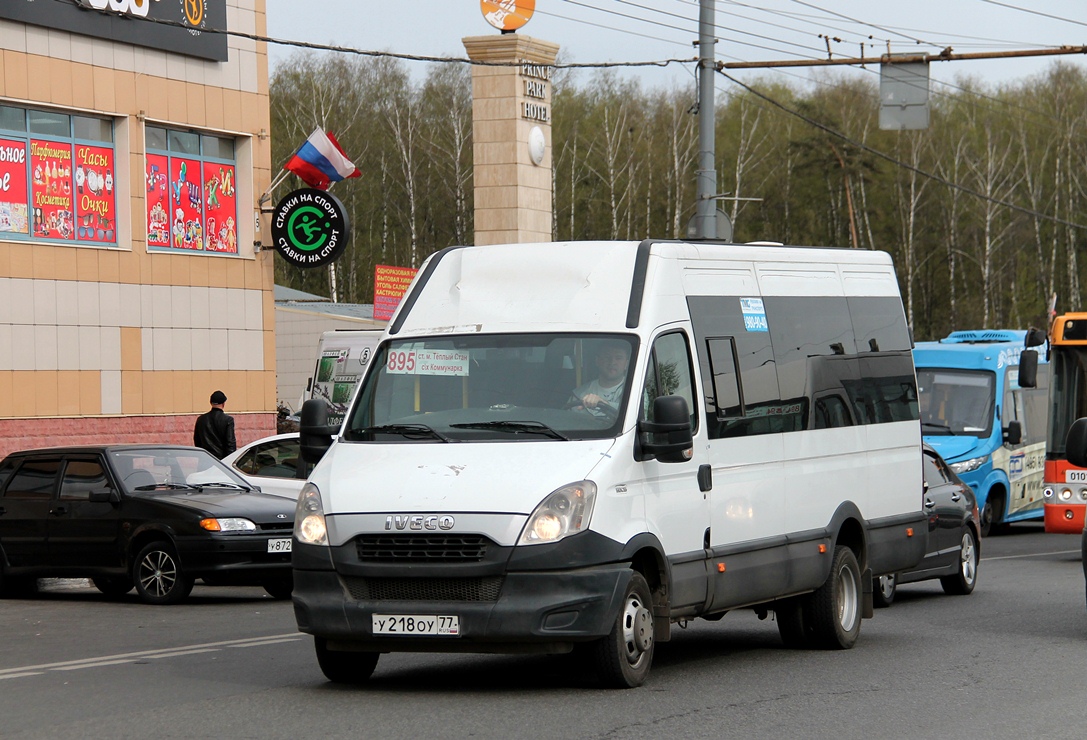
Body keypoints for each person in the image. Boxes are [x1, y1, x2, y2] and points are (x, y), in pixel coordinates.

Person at [569, 341, 631, 419]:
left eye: (618, 358)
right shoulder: (579, 393)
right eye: (607, 357)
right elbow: (568, 421)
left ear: (626, 363)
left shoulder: (634, 391)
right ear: (597, 361)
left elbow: (636, 416)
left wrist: (605, 404)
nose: (612, 362)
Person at [194, 390, 236, 459]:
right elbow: (230, 444)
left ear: (211, 403)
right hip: (221, 461)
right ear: (223, 404)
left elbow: (197, 441)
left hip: (204, 459)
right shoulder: (228, 420)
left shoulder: (201, 419)